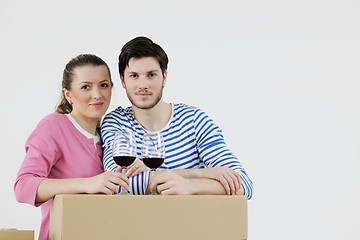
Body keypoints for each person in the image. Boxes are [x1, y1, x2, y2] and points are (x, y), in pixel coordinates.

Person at [101, 36, 253, 198]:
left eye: (151, 75)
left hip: (191, 222)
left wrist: (189, 186)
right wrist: (202, 174)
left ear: (164, 77)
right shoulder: (116, 122)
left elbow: (243, 184)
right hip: (139, 222)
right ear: (123, 80)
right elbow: (117, 185)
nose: (143, 84)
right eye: (134, 76)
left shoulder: (194, 120)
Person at [14, 54, 131, 240]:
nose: (97, 95)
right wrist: (87, 183)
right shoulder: (53, 126)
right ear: (68, 94)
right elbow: (23, 187)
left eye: (104, 85)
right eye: (86, 87)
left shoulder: (109, 135)